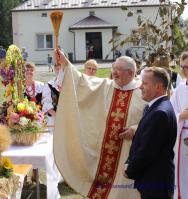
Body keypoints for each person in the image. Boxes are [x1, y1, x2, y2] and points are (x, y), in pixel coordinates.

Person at [53, 49, 146, 198]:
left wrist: (135, 129)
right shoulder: (106, 86)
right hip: (104, 153)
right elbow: (81, 81)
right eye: (113, 69)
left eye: (118, 70)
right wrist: (65, 63)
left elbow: (153, 120)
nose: (113, 73)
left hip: (128, 152)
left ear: (130, 73)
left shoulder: (143, 92)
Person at [125, 67, 177, 199]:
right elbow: (140, 139)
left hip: (156, 182)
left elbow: (147, 150)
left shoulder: (160, 112)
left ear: (158, 87)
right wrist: (129, 160)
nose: (140, 87)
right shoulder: (154, 107)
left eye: (145, 83)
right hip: (152, 180)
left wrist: (130, 169)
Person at [170, 51, 188, 199]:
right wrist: (181, 115)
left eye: (187, 67)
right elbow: (171, 113)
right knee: (183, 176)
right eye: (181, 66)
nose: (183, 71)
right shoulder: (180, 88)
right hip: (184, 138)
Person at [42, 62, 62, 131]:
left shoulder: (72, 85)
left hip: (70, 118)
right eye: (56, 66)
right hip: (54, 119)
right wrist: (58, 117)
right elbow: (46, 102)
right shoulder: (49, 85)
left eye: (60, 64)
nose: (58, 68)